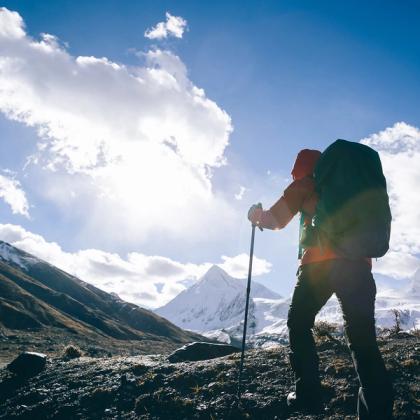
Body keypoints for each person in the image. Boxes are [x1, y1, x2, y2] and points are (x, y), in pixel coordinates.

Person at [248, 149, 393, 419]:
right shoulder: (352, 187)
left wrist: (255, 214)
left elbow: (274, 220)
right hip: (359, 268)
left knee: (299, 324)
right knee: (363, 339)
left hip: (319, 266)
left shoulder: (306, 183)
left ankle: (308, 395)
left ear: (301, 168)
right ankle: (377, 411)